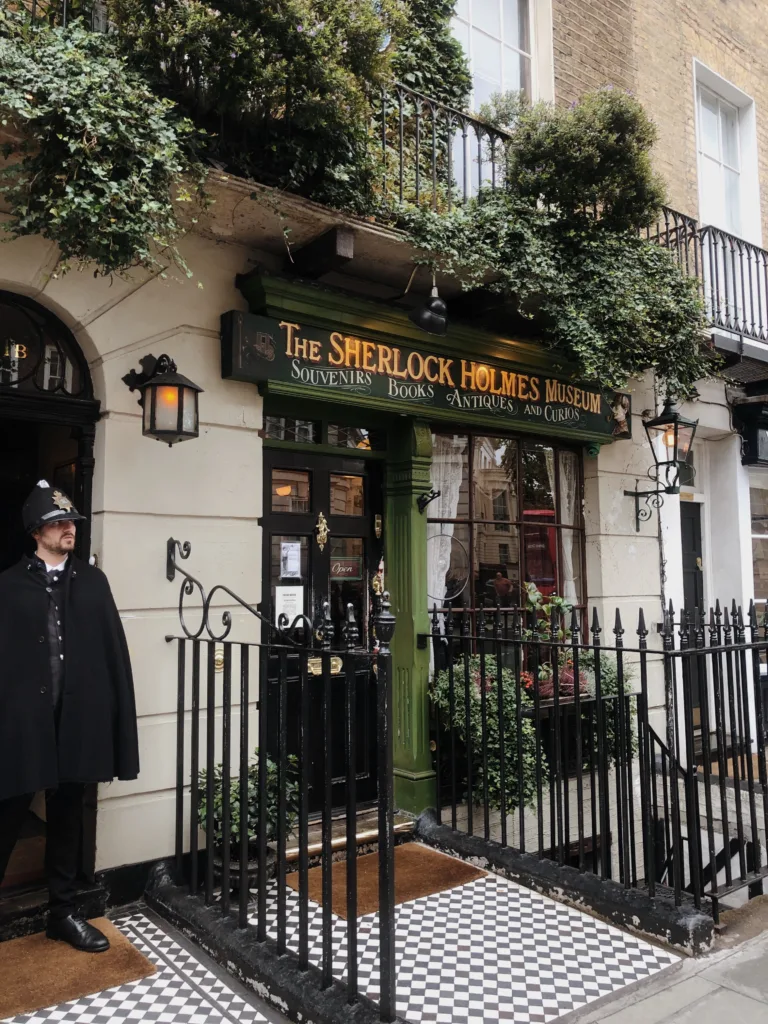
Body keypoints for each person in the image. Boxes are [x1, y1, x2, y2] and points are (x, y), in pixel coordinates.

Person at [0, 481, 139, 953]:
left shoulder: (94, 583)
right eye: (59, 523)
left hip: (76, 723)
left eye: (72, 523)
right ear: (35, 531)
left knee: (67, 821)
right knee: (8, 816)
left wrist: (115, 718)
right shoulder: (8, 587)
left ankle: (62, 914)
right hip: (21, 726)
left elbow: (113, 656)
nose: (68, 529)